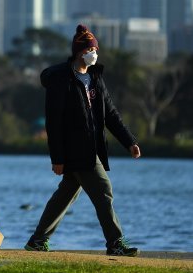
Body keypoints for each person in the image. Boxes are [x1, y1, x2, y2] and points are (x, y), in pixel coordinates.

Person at [25, 24, 141, 256]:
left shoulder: (95, 78)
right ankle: (115, 243)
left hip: (92, 148)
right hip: (75, 150)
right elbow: (53, 123)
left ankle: (38, 240)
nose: (95, 54)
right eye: (91, 50)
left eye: (96, 50)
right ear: (80, 52)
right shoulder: (62, 80)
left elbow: (110, 114)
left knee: (66, 194)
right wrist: (57, 158)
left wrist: (129, 141)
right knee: (103, 190)